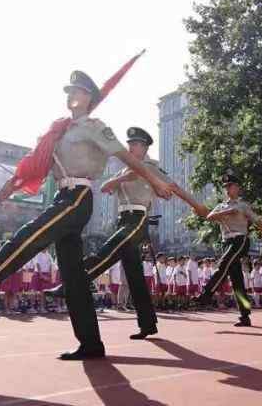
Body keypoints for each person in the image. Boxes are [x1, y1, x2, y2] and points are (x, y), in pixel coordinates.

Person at [0, 70, 174, 360]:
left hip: (78, 198)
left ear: (89, 97)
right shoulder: (60, 130)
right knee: (74, 277)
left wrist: (155, 181)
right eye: (68, 91)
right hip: (62, 195)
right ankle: (91, 343)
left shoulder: (95, 126)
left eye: (76, 91)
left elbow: (125, 157)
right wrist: (12, 186)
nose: (70, 96)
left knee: (27, 238)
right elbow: (37, 163)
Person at [45, 126, 204, 337]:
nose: (130, 147)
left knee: (108, 250)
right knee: (135, 276)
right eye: (129, 144)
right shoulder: (122, 171)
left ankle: (72, 283)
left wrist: (197, 206)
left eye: (135, 144)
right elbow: (104, 188)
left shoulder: (150, 167)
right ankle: (147, 324)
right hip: (123, 220)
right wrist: (122, 179)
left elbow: (175, 187)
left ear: (144, 148)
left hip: (138, 220)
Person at [193, 172, 262, 327]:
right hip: (227, 242)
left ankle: (206, 295)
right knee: (237, 281)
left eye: (230, 186)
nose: (227, 189)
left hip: (240, 240)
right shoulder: (221, 206)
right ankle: (245, 315)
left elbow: (258, 222)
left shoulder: (243, 205)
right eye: (225, 186)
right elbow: (210, 217)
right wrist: (227, 212)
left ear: (237, 188)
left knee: (223, 264)